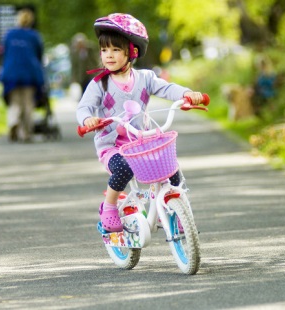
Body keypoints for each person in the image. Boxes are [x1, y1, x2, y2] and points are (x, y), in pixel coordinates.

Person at [76, 13, 203, 232]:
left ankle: (177, 207)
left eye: (116, 49)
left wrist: (187, 94)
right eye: (104, 50)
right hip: (113, 147)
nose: (109, 55)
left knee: (172, 168)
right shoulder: (100, 84)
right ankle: (109, 207)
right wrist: (88, 119)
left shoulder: (145, 78)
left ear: (132, 51)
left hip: (141, 142)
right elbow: (84, 107)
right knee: (123, 169)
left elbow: (167, 88)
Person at [0, 8, 45, 142]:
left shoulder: (9, 35)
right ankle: (26, 133)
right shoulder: (34, 36)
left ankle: (13, 122)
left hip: (11, 73)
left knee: (14, 102)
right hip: (29, 74)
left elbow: (3, 53)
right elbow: (39, 55)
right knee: (28, 104)